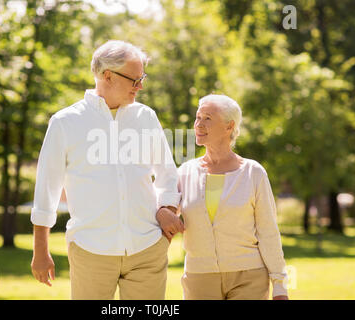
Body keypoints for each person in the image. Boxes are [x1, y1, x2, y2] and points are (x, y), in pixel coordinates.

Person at [29, 40, 183, 300]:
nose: (141, 86)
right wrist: (40, 252)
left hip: (147, 248)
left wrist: (167, 208)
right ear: (107, 75)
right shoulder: (65, 123)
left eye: (142, 78)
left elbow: (168, 174)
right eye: (134, 79)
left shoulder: (145, 117)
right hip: (91, 251)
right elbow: (47, 189)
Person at [176, 94, 289, 300]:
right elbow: (161, 213)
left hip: (249, 276)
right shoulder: (185, 172)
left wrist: (280, 286)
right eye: (198, 117)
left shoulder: (253, 172)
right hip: (199, 278)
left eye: (207, 118)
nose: (199, 124)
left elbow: (268, 231)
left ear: (229, 127)